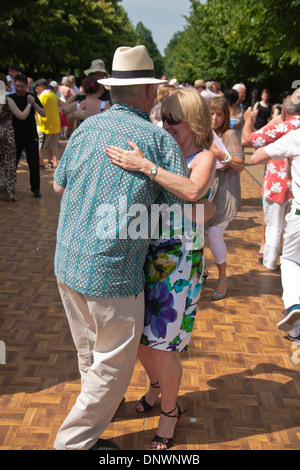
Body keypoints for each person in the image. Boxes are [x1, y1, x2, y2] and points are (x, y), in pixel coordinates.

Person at [52, 45, 195, 451]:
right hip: (112, 272)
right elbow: (181, 207)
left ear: (113, 89)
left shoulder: (86, 128)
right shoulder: (156, 140)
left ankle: (95, 415)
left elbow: (59, 183)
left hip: (68, 259)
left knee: (89, 351)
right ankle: (75, 442)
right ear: (149, 93)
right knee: (113, 364)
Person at [106, 88, 216, 449]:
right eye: (161, 117)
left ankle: (170, 412)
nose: (164, 125)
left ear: (193, 122)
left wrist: (146, 167)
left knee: (165, 345)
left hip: (180, 262)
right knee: (138, 338)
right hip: (148, 252)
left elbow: (191, 191)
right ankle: (155, 387)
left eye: (172, 119)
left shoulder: (204, 157)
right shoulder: (161, 149)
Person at [250, 111, 300, 340]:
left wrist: (272, 123)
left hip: (285, 193)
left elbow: (254, 152)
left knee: (289, 258)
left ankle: (293, 305)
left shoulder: (292, 133)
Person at [242, 94, 300, 272]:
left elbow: (247, 140)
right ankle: (291, 261)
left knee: (274, 225)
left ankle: (269, 262)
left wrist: (247, 121)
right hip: (295, 185)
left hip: (276, 182)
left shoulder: (283, 126)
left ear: (284, 111)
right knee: (290, 225)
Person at [207, 96, 245, 300]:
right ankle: (201, 270)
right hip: (208, 190)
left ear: (225, 115)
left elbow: (240, 164)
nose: (214, 118)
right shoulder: (205, 133)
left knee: (214, 235)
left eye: (219, 114)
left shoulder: (229, 134)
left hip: (226, 191)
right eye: (211, 113)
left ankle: (223, 279)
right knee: (199, 233)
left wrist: (220, 155)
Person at [9, 74, 45, 198]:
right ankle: (10, 188)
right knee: (12, 164)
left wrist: (34, 103)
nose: (18, 89)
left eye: (21, 86)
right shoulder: (10, 98)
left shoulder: (32, 97)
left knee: (33, 164)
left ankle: (36, 189)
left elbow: (43, 113)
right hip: (15, 136)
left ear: (26, 86)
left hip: (30, 135)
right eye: (16, 86)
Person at [0, 74, 33, 201]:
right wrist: (29, 105)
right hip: (7, 135)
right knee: (9, 163)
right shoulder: (8, 99)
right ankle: (10, 192)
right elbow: (22, 115)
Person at [35, 78, 61, 169]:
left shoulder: (43, 96)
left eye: (37, 86)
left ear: (42, 87)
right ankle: (53, 162)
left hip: (45, 125)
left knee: (41, 145)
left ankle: (40, 162)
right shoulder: (52, 94)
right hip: (55, 124)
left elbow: (38, 108)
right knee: (53, 145)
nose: (36, 89)